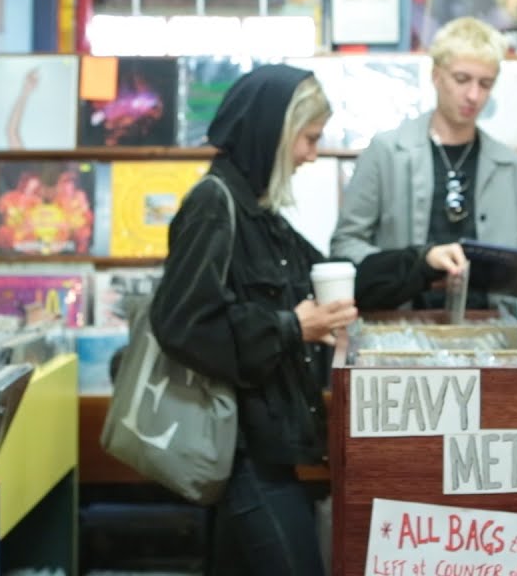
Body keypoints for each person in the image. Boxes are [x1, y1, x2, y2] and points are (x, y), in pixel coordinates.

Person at [150, 65, 468, 576]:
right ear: (276, 133)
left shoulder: (260, 214)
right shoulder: (214, 206)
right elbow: (184, 324)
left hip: (267, 448)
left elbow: (337, 280)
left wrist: (420, 263)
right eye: (309, 138)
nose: (311, 154)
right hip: (241, 453)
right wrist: (291, 327)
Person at [331, 17, 517, 311]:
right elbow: (345, 246)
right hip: (400, 327)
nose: (473, 95)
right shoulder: (387, 151)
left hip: (488, 331)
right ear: (436, 75)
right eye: (462, 79)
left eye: (486, 84)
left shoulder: (510, 164)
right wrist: (412, 265)